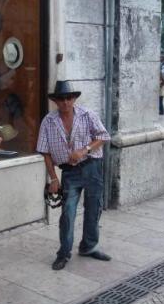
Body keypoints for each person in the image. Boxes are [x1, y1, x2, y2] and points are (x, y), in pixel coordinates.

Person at [37, 80, 111, 270]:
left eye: (69, 98)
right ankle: (64, 253)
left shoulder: (87, 114)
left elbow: (103, 136)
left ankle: (89, 246)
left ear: (74, 98)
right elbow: (45, 152)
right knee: (68, 213)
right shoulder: (48, 121)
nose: (65, 102)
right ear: (55, 101)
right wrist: (53, 178)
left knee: (94, 208)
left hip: (92, 166)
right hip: (69, 172)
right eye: (61, 99)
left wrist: (84, 150)